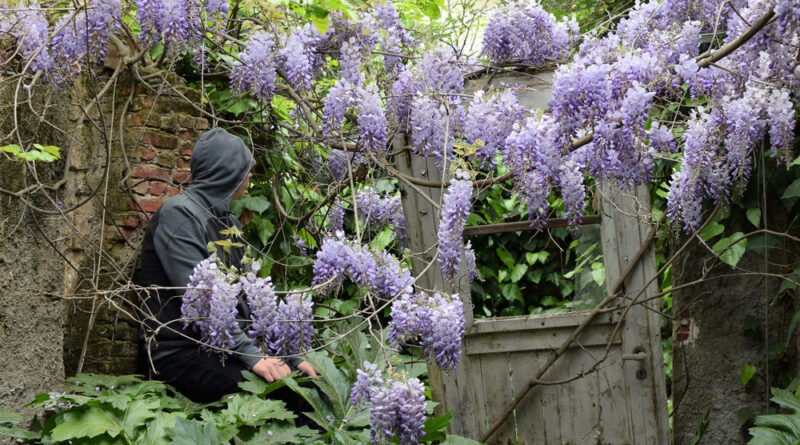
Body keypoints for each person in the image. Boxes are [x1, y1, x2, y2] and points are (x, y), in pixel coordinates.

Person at [138, 127, 316, 403]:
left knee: (312, 388)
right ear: (228, 173)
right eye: (246, 170)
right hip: (179, 354)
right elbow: (204, 304)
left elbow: (249, 298)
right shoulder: (178, 214)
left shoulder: (227, 222)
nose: (250, 177)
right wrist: (252, 356)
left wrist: (290, 355)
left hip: (223, 348)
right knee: (290, 397)